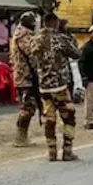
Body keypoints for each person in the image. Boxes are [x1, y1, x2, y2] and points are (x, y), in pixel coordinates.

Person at [31, 13, 81, 161]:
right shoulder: (60, 39)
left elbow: (32, 59)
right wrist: (69, 36)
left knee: (49, 119)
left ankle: (52, 152)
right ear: (56, 23)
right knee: (68, 117)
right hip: (60, 86)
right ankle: (67, 150)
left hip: (44, 87)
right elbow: (76, 53)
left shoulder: (35, 40)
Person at [9, 11, 40, 148]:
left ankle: (22, 136)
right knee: (28, 106)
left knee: (29, 106)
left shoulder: (20, 34)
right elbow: (33, 54)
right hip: (25, 77)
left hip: (25, 76)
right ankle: (20, 137)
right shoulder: (23, 36)